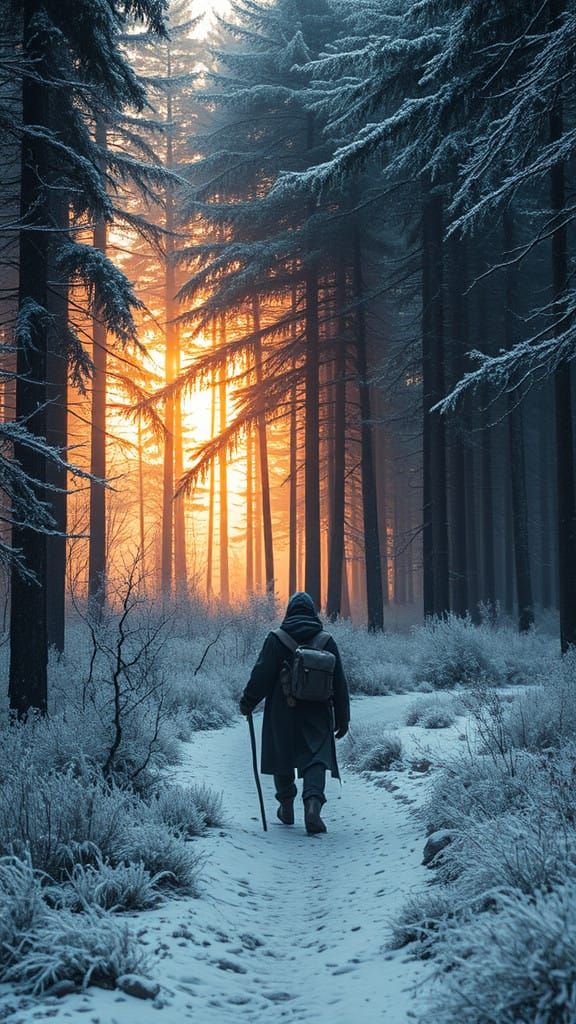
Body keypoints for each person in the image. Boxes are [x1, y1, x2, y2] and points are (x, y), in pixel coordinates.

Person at [239, 592, 350, 835]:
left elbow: (261, 675)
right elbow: (340, 683)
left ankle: (286, 805)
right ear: (313, 613)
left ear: (289, 612)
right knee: (316, 759)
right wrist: (343, 717)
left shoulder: (276, 639)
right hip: (318, 711)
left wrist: (248, 702)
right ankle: (312, 805)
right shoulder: (326, 640)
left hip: (282, 710)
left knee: (282, 755)